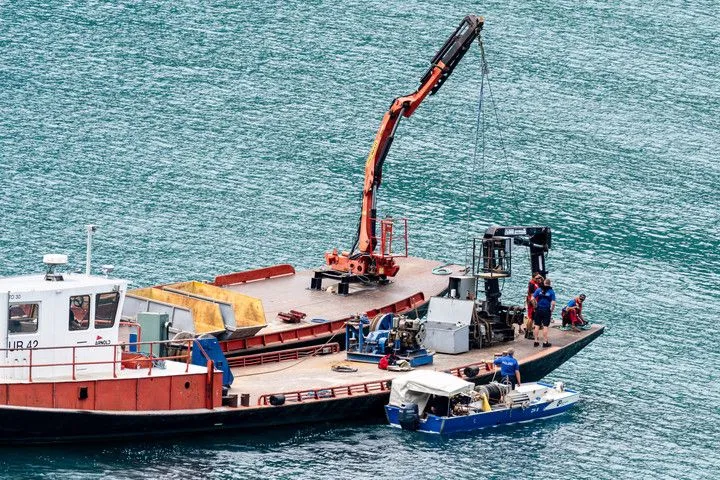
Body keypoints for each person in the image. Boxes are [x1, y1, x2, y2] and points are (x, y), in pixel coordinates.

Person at [532, 278, 556, 348]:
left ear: (544, 283)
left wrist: (535, 306)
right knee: (545, 326)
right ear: (549, 284)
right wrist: (551, 310)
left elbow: (532, 298)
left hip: (538, 309)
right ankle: (545, 342)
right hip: (546, 310)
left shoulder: (539, 289)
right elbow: (553, 303)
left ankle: (536, 341)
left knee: (537, 325)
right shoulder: (551, 291)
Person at [525, 272, 544, 337]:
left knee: (531, 317)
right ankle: (529, 332)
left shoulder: (536, 283)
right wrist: (535, 306)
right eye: (537, 278)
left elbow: (543, 282)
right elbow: (532, 296)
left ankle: (528, 331)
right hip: (532, 303)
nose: (538, 279)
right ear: (533, 278)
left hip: (535, 301)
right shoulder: (532, 284)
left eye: (539, 277)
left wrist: (540, 277)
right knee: (531, 318)